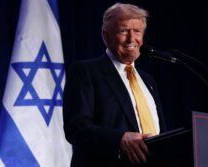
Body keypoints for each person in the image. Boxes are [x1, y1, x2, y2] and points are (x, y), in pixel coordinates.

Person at [63, 2, 167, 167]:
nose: (131, 39)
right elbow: (76, 128)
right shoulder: (86, 72)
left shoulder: (148, 80)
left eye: (137, 31)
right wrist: (120, 139)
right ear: (106, 36)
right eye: (123, 31)